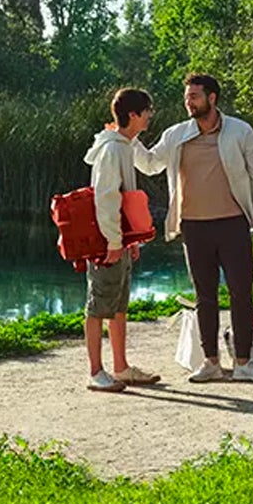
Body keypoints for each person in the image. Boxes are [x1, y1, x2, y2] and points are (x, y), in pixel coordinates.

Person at [134, 73, 253, 382]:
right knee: (204, 297)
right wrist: (127, 137)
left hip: (233, 224)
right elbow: (150, 164)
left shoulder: (240, 131)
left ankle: (243, 363)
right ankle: (211, 362)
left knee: (241, 293)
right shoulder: (176, 135)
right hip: (194, 227)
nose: (189, 102)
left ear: (212, 98)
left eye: (195, 96)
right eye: (187, 97)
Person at [81, 88, 163, 392]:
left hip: (119, 240)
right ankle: (95, 372)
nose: (150, 115)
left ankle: (121, 367)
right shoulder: (112, 150)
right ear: (133, 114)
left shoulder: (124, 145)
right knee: (98, 306)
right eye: (147, 110)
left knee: (118, 305)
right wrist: (114, 242)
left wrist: (130, 242)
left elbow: (124, 199)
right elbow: (106, 198)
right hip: (106, 243)